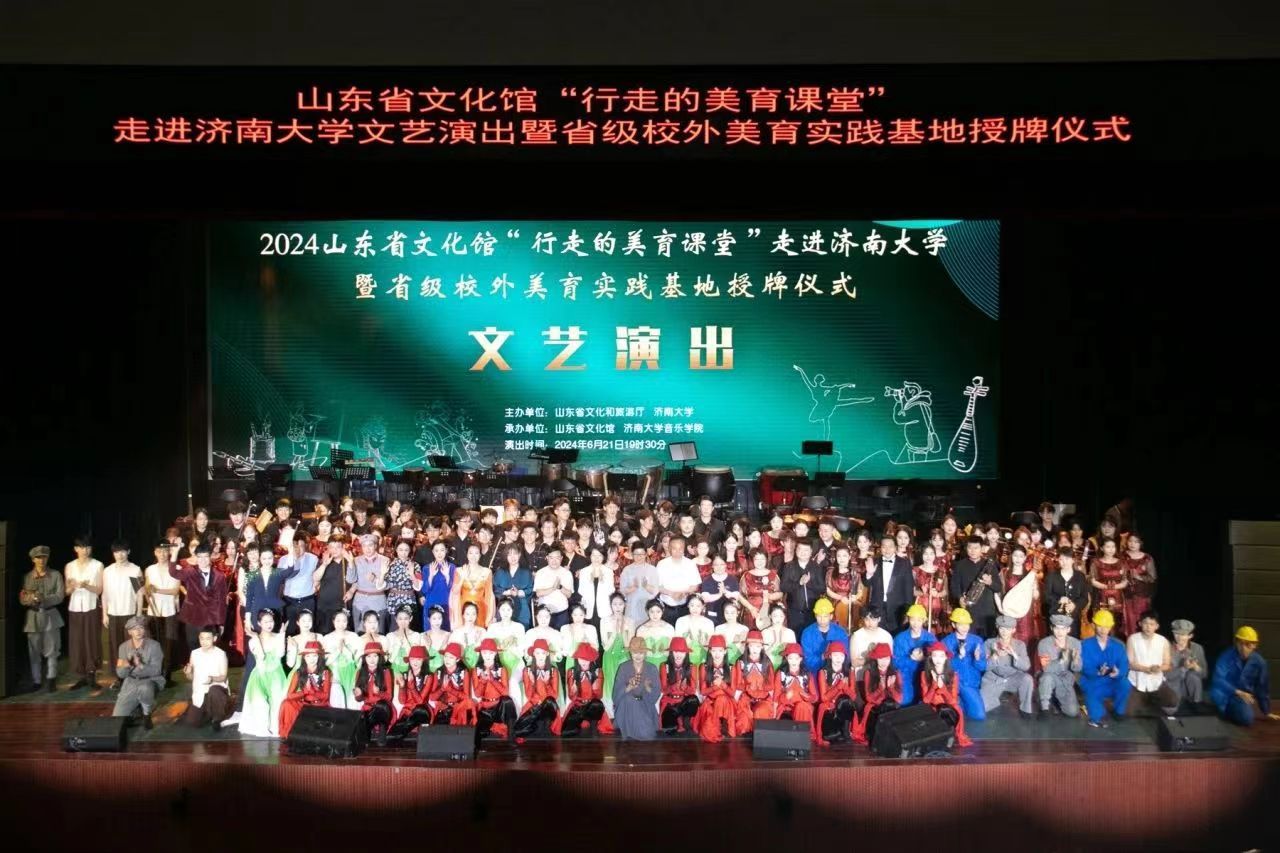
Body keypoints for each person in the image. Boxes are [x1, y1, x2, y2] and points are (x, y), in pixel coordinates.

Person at [1210, 625, 1278, 726]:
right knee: (1245, 717)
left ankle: (1230, 710)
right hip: (1225, 693)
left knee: (1247, 718)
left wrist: (1266, 711)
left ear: (1255, 645)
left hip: (1242, 697)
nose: (1243, 648)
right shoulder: (1226, 656)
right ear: (1236, 643)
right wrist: (1237, 691)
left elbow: (1262, 687)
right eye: (1240, 643)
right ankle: (1223, 710)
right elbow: (1218, 679)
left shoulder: (1259, 663)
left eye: (1248, 644)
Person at [171, 543, 231, 655]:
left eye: (205, 556)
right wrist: (175, 552)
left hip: (210, 619)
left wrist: (221, 623)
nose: (202, 560)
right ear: (196, 557)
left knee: (209, 649)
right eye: (200, 557)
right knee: (193, 647)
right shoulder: (190, 571)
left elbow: (222, 601)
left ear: (210, 556)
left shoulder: (219, 576)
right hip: (192, 617)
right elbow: (173, 572)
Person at [238, 608, 289, 738]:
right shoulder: (253, 640)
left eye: (271, 621)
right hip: (260, 674)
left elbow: (280, 654)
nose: (269, 624)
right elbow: (260, 657)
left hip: (276, 675)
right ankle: (262, 727)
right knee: (260, 703)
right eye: (265, 622)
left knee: (277, 702)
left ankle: (275, 727)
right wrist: (255, 637)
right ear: (259, 623)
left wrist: (282, 635)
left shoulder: (278, 637)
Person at [20, 545, 64, 692]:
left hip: (50, 616)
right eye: (38, 557)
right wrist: (31, 599)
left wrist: (44, 599)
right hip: (33, 617)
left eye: (44, 557)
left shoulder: (55, 575)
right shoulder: (27, 577)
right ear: (33, 559)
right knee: (34, 651)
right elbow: (22, 598)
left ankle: (51, 679)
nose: (41, 560)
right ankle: (37, 680)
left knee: (52, 650)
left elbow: (60, 596)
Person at [110, 616, 166, 729]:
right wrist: (128, 665)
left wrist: (141, 665)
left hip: (150, 680)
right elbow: (121, 674)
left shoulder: (154, 645)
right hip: (131, 682)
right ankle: (136, 709)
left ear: (144, 629)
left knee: (145, 689)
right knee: (117, 719)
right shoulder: (123, 647)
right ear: (129, 632)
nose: (138, 631)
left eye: (141, 628)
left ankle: (146, 714)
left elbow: (157, 670)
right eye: (134, 629)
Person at [65, 536, 104, 689]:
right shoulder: (70, 566)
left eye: (88, 547)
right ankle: (81, 675)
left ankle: (91, 674)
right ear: (76, 549)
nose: (85, 550)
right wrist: (72, 587)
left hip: (91, 606)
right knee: (77, 641)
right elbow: (67, 591)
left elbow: (99, 590)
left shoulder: (97, 565)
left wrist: (86, 586)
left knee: (91, 639)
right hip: (75, 607)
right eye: (82, 547)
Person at [102, 541, 142, 690]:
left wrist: (138, 616)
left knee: (132, 648)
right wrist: (104, 614)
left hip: (130, 614)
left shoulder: (135, 570)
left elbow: (139, 594)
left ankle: (133, 677)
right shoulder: (108, 571)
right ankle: (120, 677)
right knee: (116, 647)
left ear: (128, 552)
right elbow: (104, 594)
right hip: (113, 614)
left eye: (123, 551)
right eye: (117, 552)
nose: (120, 555)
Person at [1080, 609, 1130, 727]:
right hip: (1093, 682)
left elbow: (1124, 665)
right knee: (1097, 716)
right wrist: (1097, 672)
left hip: (1112, 681)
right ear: (1094, 625)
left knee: (1125, 684)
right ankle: (1097, 713)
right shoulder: (1085, 645)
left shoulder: (1118, 646)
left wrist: (1118, 673)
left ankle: (1119, 711)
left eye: (1106, 627)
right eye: (1100, 626)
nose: (1103, 630)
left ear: (1111, 627)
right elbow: (1084, 666)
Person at [554, 642, 614, 736]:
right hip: (578, 704)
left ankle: (594, 725)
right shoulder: (571, 672)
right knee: (567, 732)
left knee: (597, 704)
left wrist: (595, 687)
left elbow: (599, 696)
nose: (583, 661)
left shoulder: (598, 671)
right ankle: (580, 722)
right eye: (581, 658)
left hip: (592, 705)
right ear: (577, 659)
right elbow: (571, 697)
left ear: (591, 659)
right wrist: (574, 690)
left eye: (587, 659)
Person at [919, 642, 973, 747]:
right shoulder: (924, 674)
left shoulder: (953, 675)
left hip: (948, 707)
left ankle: (954, 734)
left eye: (941, 656)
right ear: (930, 657)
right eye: (935, 655)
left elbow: (953, 701)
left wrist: (943, 688)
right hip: (932, 706)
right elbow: (926, 700)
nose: (938, 659)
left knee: (956, 709)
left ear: (946, 658)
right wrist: (934, 685)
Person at [1126, 610, 1179, 715]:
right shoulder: (1133, 639)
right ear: (1140, 623)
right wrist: (1145, 669)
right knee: (1128, 712)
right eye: (1145, 623)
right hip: (1137, 683)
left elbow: (1167, 664)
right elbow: (1129, 664)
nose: (1148, 627)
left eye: (1151, 624)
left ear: (1157, 626)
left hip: (1156, 682)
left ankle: (1149, 700)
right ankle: (1143, 700)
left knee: (1173, 700)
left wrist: (1158, 668)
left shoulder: (1163, 641)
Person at [143, 540, 182, 681]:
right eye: (159, 551)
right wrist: (147, 591)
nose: (162, 554)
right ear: (155, 552)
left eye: (165, 551)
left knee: (168, 644)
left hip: (169, 611)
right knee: (154, 643)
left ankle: (167, 675)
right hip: (153, 612)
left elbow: (175, 591)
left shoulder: (176, 568)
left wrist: (158, 590)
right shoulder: (150, 569)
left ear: (169, 552)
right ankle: (155, 673)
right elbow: (147, 589)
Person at [981, 614, 1034, 718]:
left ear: (1013, 630)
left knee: (1027, 679)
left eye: (1008, 629)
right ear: (997, 627)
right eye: (1002, 628)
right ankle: (997, 697)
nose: (1004, 632)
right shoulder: (989, 643)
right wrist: (995, 656)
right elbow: (984, 667)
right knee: (983, 707)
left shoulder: (1020, 644)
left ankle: (1025, 709)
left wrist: (1014, 655)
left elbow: (1026, 666)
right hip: (993, 679)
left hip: (1012, 678)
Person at [950, 536, 1002, 638]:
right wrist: (959, 598)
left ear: (982, 548)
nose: (973, 551)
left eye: (976, 548)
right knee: (970, 640)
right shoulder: (959, 565)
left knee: (988, 641)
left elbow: (998, 587)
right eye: (970, 547)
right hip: (969, 610)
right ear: (966, 548)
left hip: (987, 611)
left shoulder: (990, 565)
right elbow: (954, 587)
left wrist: (990, 582)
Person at [182, 625, 231, 730]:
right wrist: (188, 673)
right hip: (200, 691)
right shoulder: (194, 653)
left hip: (216, 688)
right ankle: (207, 712)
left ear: (214, 638)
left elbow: (223, 676)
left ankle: (217, 717)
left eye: (208, 638)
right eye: (202, 638)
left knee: (214, 691)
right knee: (192, 722)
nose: (204, 642)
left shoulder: (221, 654)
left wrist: (212, 679)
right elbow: (191, 678)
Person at [278, 641, 331, 739]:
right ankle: (289, 734)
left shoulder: (325, 672)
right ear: (304, 658)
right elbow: (289, 695)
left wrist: (314, 692)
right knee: (286, 703)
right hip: (304, 704)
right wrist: (304, 692)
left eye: (314, 656)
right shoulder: (299, 673)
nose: (311, 659)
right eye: (308, 656)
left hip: (320, 705)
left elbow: (326, 696)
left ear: (319, 657)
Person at [941, 607, 987, 721]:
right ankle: (957, 700)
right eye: (961, 624)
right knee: (950, 715)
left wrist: (977, 659)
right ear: (953, 624)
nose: (965, 628)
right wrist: (959, 657)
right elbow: (943, 667)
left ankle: (962, 701)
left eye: (967, 624)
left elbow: (982, 667)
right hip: (952, 682)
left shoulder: (977, 641)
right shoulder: (946, 642)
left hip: (970, 682)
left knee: (979, 715)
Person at [612, 635, 661, 740]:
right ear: (630, 653)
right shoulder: (623, 667)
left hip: (645, 704)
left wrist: (647, 687)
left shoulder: (652, 668)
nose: (638, 656)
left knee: (648, 734)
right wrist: (629, 687)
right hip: (626, 707)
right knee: (629, 699)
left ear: (645, 653)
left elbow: (656, 693)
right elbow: (615, 695)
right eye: (635, 653)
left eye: (641, 653)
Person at [692, 635, 739, 743]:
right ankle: (717, 724)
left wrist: (722, 684)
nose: (717, 654)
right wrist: (715, 686)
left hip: (726, 704)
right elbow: (703, 692)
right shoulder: (704, 667)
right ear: (710, 651)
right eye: (714, 651)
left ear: (725, 651)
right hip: (710, 702)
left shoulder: (731, 668)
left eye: (720, 651)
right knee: (709, 734)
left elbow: (732, 693)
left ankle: (724, 723)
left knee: (721, 699)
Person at [852, 643, 901, 745]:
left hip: (890, 709)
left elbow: (898, 699)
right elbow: (869, 698)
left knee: (890, 704)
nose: (884, 662)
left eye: (886, 658)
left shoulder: (895, 673)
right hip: (875, 708)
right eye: (880, 658)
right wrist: (880, 689)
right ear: (875, 659)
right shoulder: (869, 673)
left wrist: (891, 688)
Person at [1037, 614, 1083, 718]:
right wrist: (1061, 661)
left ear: (1068, 629)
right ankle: (1044, 707)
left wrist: (1076, 661)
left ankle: (1056, 699)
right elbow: (1046, 668)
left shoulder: (1075, 643)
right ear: (1052, 628)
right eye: (1057, 628)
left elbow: (1078, 668)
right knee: (1046, 678)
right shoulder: (1044, 643)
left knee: (1072, 712)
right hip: (1051, 676)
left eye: (1063, 629)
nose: (1060, 632)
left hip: (1066, 678)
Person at [514, 638, 561, 741]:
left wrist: (546, 683)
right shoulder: (527, 670)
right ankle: (535, 726)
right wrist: (532, 683)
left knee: (550, 702)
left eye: (543, 653)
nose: (540, 656)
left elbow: (554, 696)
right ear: (534, 654)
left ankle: (545, 726)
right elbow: (529, 695)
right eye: (538, 653)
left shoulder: (553, 671)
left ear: (547, 654)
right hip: (534, 705)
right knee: (518, 731)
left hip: (548, 707)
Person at [472, 638, 517, 741]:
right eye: (484, 653)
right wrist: (483, 681)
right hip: (485, 708)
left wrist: (492, 680)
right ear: (481, 653)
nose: (487, 656)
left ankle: (511, 735)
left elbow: (505, 692)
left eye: (491, 653)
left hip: (499, 707)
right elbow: (477, 694)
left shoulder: (502, 669)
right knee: (481, 733)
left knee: (508, 701)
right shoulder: (476, 670)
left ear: (495, 653)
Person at [892, 604, 937, 705]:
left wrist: (924, 659)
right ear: (908, 619)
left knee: (928, 702)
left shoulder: (930, 638)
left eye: (919, 620)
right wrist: (911, 659)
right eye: (913, 619)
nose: (915, 623)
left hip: (926, 675)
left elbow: (938, 660)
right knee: (905, 702)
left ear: (924, 620)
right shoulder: (899, 638)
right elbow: (895, 662)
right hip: (906, 676)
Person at [485, 598, 527, 706]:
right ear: (498, 610)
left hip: (516, 662)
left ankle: (516, 711)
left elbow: (521, 651)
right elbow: (488, 648)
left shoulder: (519, 627)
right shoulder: (492, 627)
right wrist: (502, 646)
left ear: (512, 611)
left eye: (508, 610)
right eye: (503, 609)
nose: (506, 613)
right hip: (497, 663)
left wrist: (509, 647)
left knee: (512, 681)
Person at [867, 534, 914, 629]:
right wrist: (869, 574)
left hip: (898, 609)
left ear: (895, 548)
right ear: (880, 548)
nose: (887, 549)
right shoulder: (874, 561)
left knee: (896, 635)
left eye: (890, 546)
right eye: (884, 546)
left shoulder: (904, 563)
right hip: (877, 607)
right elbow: (866, 584)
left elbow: (909, 587)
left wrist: (908, 610)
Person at [353, 642, 395, 745]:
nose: (372, 659)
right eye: (369, 656)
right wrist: (358, 695)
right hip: (368, 709)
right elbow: (359, 699)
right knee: (362, 738)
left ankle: (382, 729)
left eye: (375, 656)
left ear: (379, 658)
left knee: (382, 705)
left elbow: (389, 696)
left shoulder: (386, 672)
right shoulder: (360, 672)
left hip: (382, 709)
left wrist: (379, 693)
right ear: (365, 658)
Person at [387, 646, 433, 742]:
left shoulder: (428, 676)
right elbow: (402, 701)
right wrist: (402, 686)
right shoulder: (404, 674)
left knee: (419, 711)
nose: (415, 662)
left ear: (423, 661)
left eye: (418, 659)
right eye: (412, 659)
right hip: (407, 711)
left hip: (422, 711)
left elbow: (420, 701)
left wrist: (411, 684)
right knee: (391, 737)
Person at [780, 539, 826, 633]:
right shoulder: (788, 566)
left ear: (811, 552)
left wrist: (809, 583)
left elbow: (822, 588)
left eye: (806, 550)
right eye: (800, 549)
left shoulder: (816, 567)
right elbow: (783, 587)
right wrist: (799, 583)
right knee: (795, 637)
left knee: (811, 636)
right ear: (796, 550)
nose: (803, 552)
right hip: (794, 612)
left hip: (813, 611)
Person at [600, 592, 634, 715]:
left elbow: (628, 645)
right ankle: (610, 712)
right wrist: (615, 631)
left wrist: (623, 628)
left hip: (624, 655)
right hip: (610, 656)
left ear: (624, 605)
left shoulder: (630, 621)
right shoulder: (604, 621)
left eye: (620, 604)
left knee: (625, 682)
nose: (618, 607)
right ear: (611, 605)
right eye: (615, 604)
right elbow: (606, 647)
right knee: (610, 682)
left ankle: (625, 710)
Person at [816, 642, 857, 745]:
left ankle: (846, 732)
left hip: (844, 709)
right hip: (830, 710)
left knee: (846, 701)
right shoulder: (823, 672)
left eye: (841, 655)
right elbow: (824, 698)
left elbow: (853, 696)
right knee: (830, 736)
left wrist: (845, 687)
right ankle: (838, 733)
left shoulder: (849, 672)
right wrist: (839, 686)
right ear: (830, 656)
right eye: (835, 655)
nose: (838, 658)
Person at [657, 637, 700, 734]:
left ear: (686, 654)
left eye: (682, 652)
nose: (678, 655)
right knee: (669, 731)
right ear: (671, 653)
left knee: (693, 700)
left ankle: (685, 719)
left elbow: (693, 690)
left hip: (684, 702)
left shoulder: (692, 667)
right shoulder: (664, 666)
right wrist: (674, 686)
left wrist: (684, 687)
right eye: (675, 651)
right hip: (670, 702)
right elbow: (663, 690)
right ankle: (675, 720)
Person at [734, 630, 775, 731]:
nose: (754, 649)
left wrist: (774, 705)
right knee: (743, 722)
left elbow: (771, 685)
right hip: (746, 697)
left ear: (762, 647)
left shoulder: (767, 663)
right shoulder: (740, 662)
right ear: (747, 646)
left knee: (761, 713)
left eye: (758, 646)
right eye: (752, 646)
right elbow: (738, 685)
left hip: (763, 697)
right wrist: (735, 701)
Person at [348, 535, 390, 634]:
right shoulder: (356, 560)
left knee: (378, 633)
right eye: (364, 546)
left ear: (375, 546)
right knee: (359, 633)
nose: (367, 549)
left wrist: (375, 579)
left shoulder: (385, 560)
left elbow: (388, 585)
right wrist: (350, 564)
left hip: (378, 601)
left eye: (370, 545)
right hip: (360, 601)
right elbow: (351, 580)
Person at [655, 535, 701, 624]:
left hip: (686, 607)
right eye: (674, 548)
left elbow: (695, 585)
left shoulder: (690, 564)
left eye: (680, 548)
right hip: (666, 607)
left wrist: (683, 593)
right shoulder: (662, 564)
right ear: (669, 548)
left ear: (684, 549)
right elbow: (657, 586)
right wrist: (672, 594)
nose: (678, 551)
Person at [1044, 547, 1088, 637]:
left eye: (1067, 559)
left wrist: (1075, 605)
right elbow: (1046, 596)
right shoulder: (1051, 576)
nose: (1064, 562)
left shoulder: (1080, 576)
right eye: (1061, 559)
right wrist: (1059, 600)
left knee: (1073, 642)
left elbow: (1084, 598)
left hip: (1073, 618)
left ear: (1073, 560)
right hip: (1056, 618)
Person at [1089, 537, 1128, 638]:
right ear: (1102, 548)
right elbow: (1093, 580)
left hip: (1117, 597)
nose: (1111, 549)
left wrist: (1114, 587)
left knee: (1116, 623)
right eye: (1108, 547)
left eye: (1113, 547)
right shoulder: (1096, 562)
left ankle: (1114, 643)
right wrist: (1106, 587)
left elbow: (1125, 581)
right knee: (1101, 622)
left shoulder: (1121, 562)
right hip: (1101, 596)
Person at [280, 534, 319, 633]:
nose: (298, 549)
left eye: (301, 546)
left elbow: (318, 578)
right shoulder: (283, 560)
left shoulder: (313, 559)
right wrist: (294, 560)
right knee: (289, 630)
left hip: (307, 600)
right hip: (289, 601)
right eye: (295, 547)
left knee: (308, 630)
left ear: (305, 546)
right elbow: (282, 578)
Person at [451, 543, 496, 629]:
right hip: (463, 609)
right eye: (470, 553)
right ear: (467, 554)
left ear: (480, 555)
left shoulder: (487, 572)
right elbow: (455, 592)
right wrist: (462, 578)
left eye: (476, 553)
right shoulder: (459, 571)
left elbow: (489, 596)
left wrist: (490, 617)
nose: (473, 556)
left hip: (480, 609)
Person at [429, 643, 476, 725]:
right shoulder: (439, 672)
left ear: (457, 659)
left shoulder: (464, 672)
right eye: (445, 656)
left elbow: (466, 697)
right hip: (443, 709)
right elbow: (432, 697)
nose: (447, 660)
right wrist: (442, 689)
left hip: (458, 709)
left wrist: (450, 689)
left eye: (451, 657)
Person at [1120, 533, 1157, 638]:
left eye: (1136, 542)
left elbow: (1152, 578)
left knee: (1141, 621)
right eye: (1130, 541)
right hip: (1125, 596)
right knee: (1128, 622)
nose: (1132, 544)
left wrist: (1139, 577)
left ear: (1141, 543)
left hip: (1142, 597)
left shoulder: (1147, 558)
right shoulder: (1122, 556)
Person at [323, 610, 361, 709]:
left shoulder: (354, 636)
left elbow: (357, 659)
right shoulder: (327, 638)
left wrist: (345, 650)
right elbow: (325, 662)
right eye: (338, 621)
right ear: (333, 621)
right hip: (335, 673)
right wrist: (338, 651)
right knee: (337, 703)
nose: (341, 624)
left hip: (351, 672)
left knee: (351, 703)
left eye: (344, 621)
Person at [800, 597, 849, 674]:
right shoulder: (807, 633)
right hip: (814, 672)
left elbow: (845, 655)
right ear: (815, 616)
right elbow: (807, 659)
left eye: (825, 616)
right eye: (819, 616)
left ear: (831, 616)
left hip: (836, 672)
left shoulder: (840, 633)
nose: (822, 620)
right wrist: (822, 657)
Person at [1167, 619, 1208, 712]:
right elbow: (1167, 676)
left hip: (1190, 685)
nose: (1179, 637)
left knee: (1193, 676)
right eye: (1176, 634)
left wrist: (1196, 667)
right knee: (1170, 711)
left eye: (1183, 634)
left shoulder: (1197, 648)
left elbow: (1204, 674)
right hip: (1173, 683)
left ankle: (1196, 702)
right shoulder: (1167, 648)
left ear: (1190, 635)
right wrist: (1184, 668)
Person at [533, 546, 574, 630]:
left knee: (562, 636)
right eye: (551, 558)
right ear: (547, 558)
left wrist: (560, 587)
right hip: (544, 615)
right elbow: (538, 593)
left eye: (557, 558)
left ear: (561, 558)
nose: (554, 561)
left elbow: (569, 594)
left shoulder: (567, 573)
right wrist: (553, 588)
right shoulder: (541, 573)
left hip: (562, 614)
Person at [493, 544, 534, 628]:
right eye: (509, 554)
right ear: (506, 556)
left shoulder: (526, 572)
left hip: (522, 610)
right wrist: (506, 592)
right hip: (503, 609)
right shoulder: (500, 571)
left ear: (519, 555)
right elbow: (494, 588)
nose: (512, 557)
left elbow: (531, 589)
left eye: (515, 554)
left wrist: (519, 592)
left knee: (521, 632)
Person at [824, 545, 862, 633]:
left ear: (849, 557)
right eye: (839, 556)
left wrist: (855, 597)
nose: (841, 558)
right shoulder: (830, 572)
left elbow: (859, 590)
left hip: (850, 603)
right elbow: (828, 590)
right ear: (836, 558)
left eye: (844, 556)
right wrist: (841, 598)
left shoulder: (855, 573)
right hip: (834, 602)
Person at [850, 605, 893, 678]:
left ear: (879, 619)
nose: (870, 623)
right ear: (863, 619)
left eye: (873, 619)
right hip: (861, 676)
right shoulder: (856, 636)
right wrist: (873, 658)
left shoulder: (886, 636)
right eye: (867, 619)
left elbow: (890, 659)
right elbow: (854, 662)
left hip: (881, 676)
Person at [673, 594, 715, 666]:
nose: (695, 609)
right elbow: (677, 643)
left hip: (703, 660)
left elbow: (710, 645)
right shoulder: (680, 621)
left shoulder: (709, 623)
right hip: (685, 660)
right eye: (692, 605)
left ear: (703, 606)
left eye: (698, 606)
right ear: (688, 605)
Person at [636, 599, 675, 667]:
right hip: (647, 664)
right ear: (647, 611)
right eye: (652, 612)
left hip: (665, 663)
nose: (655, 615)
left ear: (662, 611)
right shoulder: (641, 630)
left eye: (658, 611)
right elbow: (639, 651)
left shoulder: (669, 628)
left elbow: (672, 649)